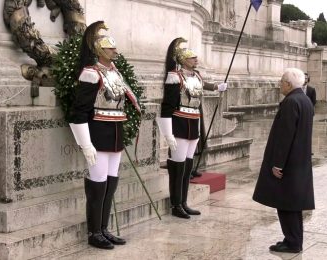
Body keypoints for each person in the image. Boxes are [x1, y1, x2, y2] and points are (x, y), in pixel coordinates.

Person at [69, 21, 140, 249]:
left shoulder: (115, 73)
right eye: (111, 49)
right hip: (98, 133)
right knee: (97, 184)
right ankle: (93, 232)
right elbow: (78, 112)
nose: (115, 52)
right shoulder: (91, 73)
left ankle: (104, 228)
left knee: (111, 183)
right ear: (100, 50)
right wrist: (86, 144)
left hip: (115, 132)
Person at [157, 38, 227, 219]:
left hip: (194, 121)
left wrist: (217, 87)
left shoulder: (196, 76)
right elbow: (167, 105)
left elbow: (203, 86)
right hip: (180, 122)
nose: (196, 60)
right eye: (192, 58)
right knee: (178, 165)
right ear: (183, 60)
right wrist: (168, 132)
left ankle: (184, 202)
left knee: (188, 166)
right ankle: (176, 204)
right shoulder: (174, 76)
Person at [252, 68, 314, 253]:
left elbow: (285, 135)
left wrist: (278, 162)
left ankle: (292, 242)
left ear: (288, 84)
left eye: (281, 81)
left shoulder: (291, 102)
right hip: (299, 160)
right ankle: (293, 240)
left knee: (286, 203)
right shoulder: (305, 100)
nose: (280, 84)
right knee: (293, 204)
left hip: (289, 163)